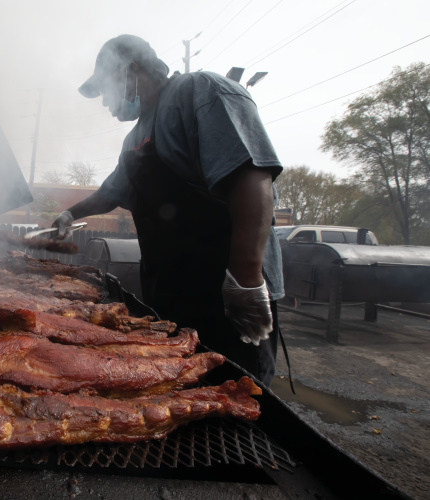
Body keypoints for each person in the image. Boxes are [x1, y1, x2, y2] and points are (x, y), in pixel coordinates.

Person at [51, 35, 284, 387]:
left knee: (236, 394)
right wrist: (71, 214)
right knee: (181, 395)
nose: (104, 103)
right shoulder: (135, 138)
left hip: (224, 293)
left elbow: (251, 175)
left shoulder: (199, 91)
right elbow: (109, 193)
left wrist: (246, 279)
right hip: (174, 297)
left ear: (131, 71)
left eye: (105, 89)